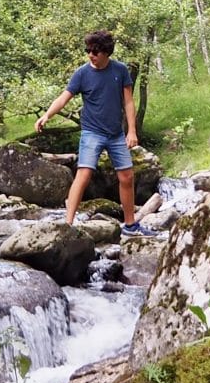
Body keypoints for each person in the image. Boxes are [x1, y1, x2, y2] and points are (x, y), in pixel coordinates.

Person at [37, 30, 153, 236]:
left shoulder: (120, 70)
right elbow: (64, 97)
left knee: (127, 176)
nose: (90, 54)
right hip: (92, 132)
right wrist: (47, 116)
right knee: (84, 173)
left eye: (95, 51)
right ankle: (68, 224)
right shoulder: (82, 73)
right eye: (88, 50)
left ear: (106, 52)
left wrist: (132, 131)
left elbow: (128, 101)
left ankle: (130, 225)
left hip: (116, 133)